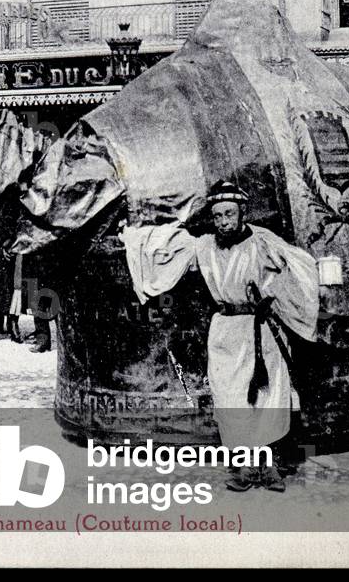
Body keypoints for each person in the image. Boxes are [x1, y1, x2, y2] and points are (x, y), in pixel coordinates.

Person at [119, 180, 319, 492]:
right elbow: (160, 247)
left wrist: (283, 295)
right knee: (231, 398)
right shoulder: (203, 246)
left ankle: (267, 468)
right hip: (226, 331)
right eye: (217, 216)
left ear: (242, 213)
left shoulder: (263, 241)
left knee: (269, 397)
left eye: (229, 214)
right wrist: (131, 235)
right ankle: (242, 468)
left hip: (262, 329)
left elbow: (300, 265)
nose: (223, 221)